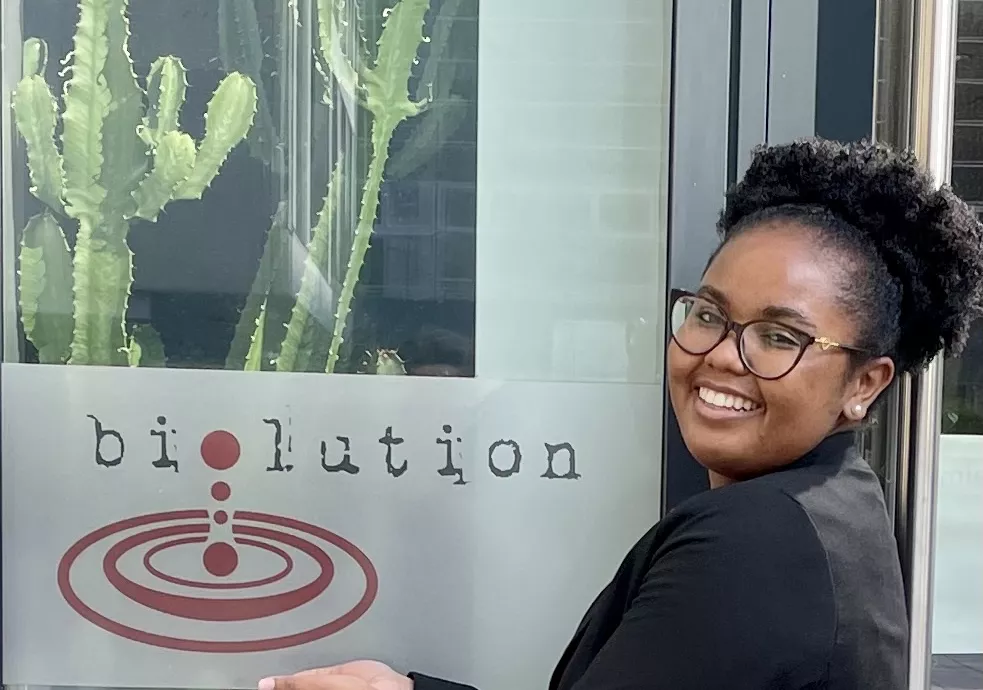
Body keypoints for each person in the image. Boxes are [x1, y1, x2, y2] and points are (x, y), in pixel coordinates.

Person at [257, 139, 983, 689]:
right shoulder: (830, 513)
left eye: (778, 336)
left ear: (864, 383)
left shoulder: (755, 542)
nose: (724, 356)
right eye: (708, 314)